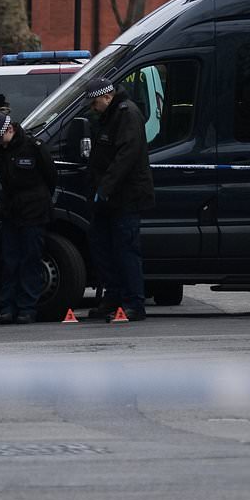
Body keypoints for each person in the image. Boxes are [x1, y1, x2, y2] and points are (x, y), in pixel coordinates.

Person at [85, 76, 154, 322]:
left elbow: (127, 155)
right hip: (111, 197)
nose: (93, 108)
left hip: (125, 196)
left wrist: (104, 187)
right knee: (104, 248)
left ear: (107, 96)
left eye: (95, 103)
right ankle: (113, 299)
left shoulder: (127, 114)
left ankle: (133, 303)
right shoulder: (110, 115)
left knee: (126, 250)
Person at [0, 108, 56, 324]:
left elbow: (50, 177)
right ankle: (7, 307)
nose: (1, 145)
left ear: (11, 129)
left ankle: (27, 308)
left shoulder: (34, 147)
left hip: (34, 211)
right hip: (12, 211)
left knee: (30, 260)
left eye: (1, 139)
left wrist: (39, 201)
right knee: (9, 261)